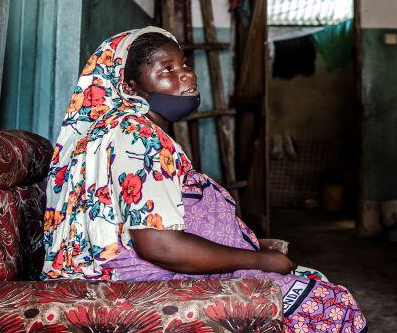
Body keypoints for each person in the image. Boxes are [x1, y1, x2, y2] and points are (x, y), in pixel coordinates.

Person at [42, 27, 367, 333]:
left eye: (184, 64)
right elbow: (159, 245)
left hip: (153, 269)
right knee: (330, 305)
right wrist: (262, 259)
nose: (185, 74)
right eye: (166, 69)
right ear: (129, 87)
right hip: (138, 278)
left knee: (314, 284)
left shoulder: (132, 130)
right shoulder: (134, 134)